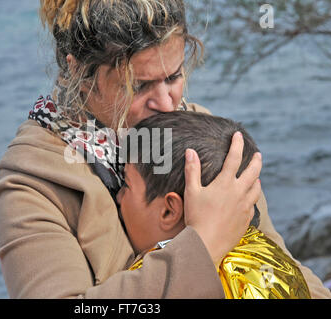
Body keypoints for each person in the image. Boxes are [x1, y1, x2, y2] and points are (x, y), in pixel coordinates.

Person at [0, 0, 331, 298]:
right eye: (139, 86)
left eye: (174, 76)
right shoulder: (34, 181)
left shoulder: (202, 134)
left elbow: (280, 263)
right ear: (79, 73)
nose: (168, 104)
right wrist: (203, 244)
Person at [118, 111, 311, 299]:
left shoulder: (158, 283)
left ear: (170, 211)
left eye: (126, 184)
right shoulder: (274, 259)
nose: (118, 197)